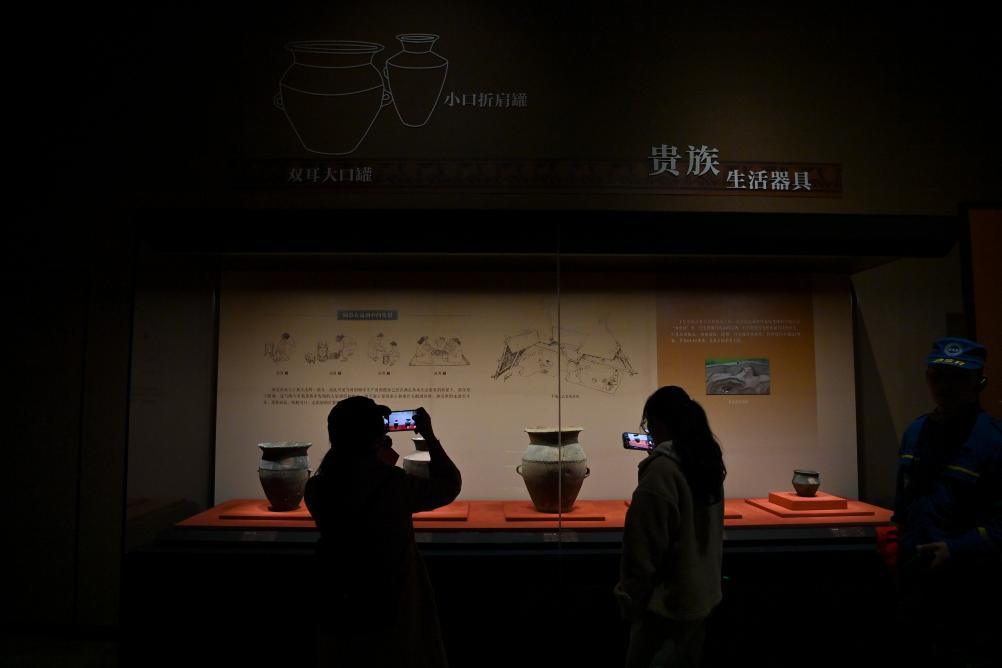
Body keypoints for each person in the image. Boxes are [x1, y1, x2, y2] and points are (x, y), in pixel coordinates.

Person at [304, 397, 462, 668]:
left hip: (340, 604)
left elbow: (354, 485)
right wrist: (429, 436)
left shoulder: (316, 488)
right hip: (392, 606)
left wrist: (377, 458)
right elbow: (449, 485)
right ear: (376, 438)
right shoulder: (393, 483)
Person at [892, 337, 1001, 666]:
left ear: (978, 382)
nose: (944, 385)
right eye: (937, 375)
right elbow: (905, 500)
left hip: (967, 585)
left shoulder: (993, 441)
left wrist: (958, 550)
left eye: (957, 377)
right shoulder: (916, 432)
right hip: (914, 574)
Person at [615, 386, 727, 668]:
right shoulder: (706, 463)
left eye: (648, 425)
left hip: (665, 609)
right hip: (700, 601)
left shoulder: (661, 472)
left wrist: (630, 600)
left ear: (659, 424)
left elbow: (642, 551)